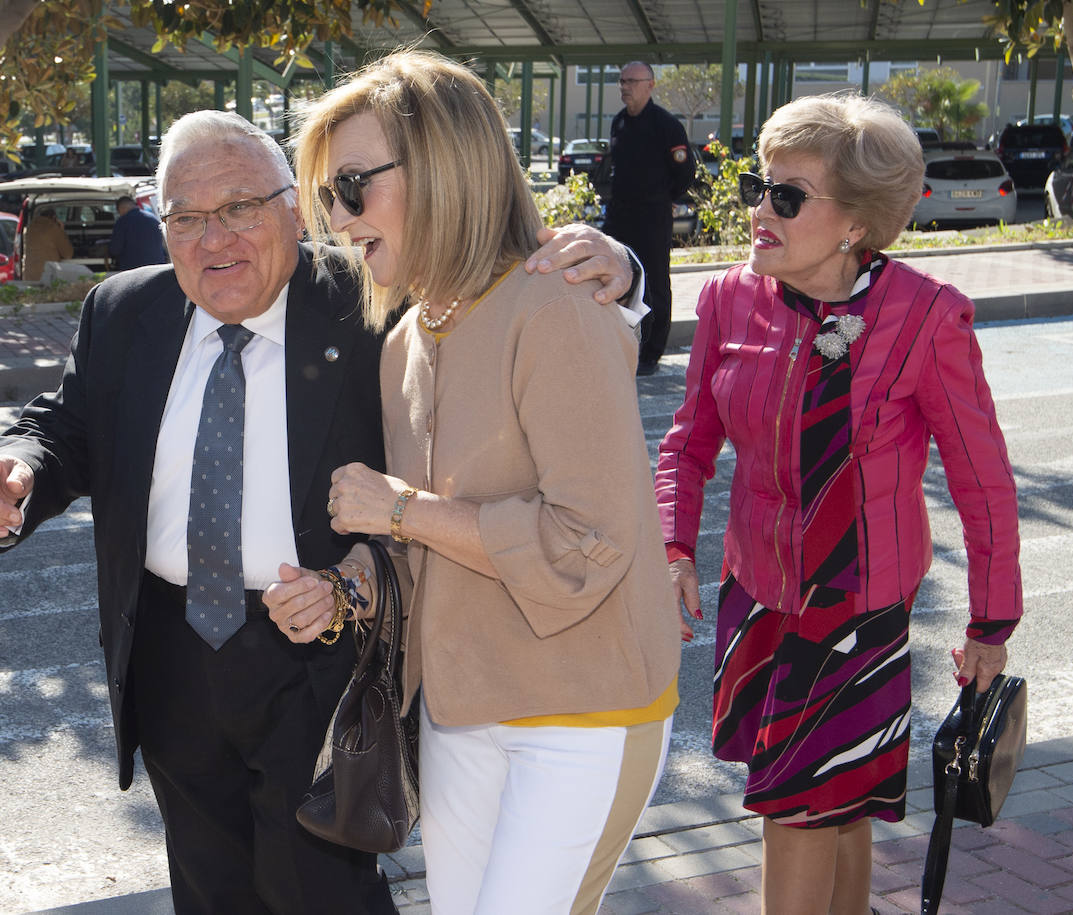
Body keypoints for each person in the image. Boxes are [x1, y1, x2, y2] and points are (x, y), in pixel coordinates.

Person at [0, 108, 638, 915]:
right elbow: (65, 427)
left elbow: (495, 279)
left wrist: (623, 268)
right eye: (188, 218)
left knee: (321, 893)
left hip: (319, 652)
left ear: (292, 207)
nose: (217, 240)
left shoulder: (371, 299)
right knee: (211, 891)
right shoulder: (123, 311)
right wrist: (19, 471)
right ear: (161, 225)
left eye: (241, 207)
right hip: (172, 655)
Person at [268, 50, 683, 915]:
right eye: (328, 198)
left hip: (584, 711)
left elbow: (589, 539)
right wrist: (344, 590)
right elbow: (426, 565)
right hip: (459, 713)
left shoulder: (557, 304)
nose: (340, 222)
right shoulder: (405, 343)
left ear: (440, 167)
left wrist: (405, 509)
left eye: (352, 188)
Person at [654, 93, 1022, 914]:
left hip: (857, 609)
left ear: (855, 222)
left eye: (788, 197)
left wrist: (990, 625)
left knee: (797, 808)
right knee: (834, 806)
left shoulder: (926, 316)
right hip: (758, 598)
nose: (760, 211)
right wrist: (674, 547)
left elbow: (983, 481)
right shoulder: (726, 300)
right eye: (761, 187)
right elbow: (687, 442)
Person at [602, 61, 695, 376]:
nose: (624, 86)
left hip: (652, 216)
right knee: (613, 273)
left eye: (631, 81)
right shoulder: (619, 123)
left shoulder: (666, 125)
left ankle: (651, 352)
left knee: (654, 281)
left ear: (650, 85)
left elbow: (685, 172)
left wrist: (665, 198)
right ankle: (619, 341)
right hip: (620, 215)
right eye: (621, 80)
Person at [107, 194, 166, 271]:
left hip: (134, 271)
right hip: (157, 268)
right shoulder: (153, 218)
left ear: (122, 208)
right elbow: (163, 244)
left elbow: (115, 249)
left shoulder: (123, 222)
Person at [20, 206, 73, 281]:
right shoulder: (53, 228)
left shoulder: (29, 228)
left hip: (29, 276)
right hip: (47, 276)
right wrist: (62, 231)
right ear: (54, 217)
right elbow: (68, 254)